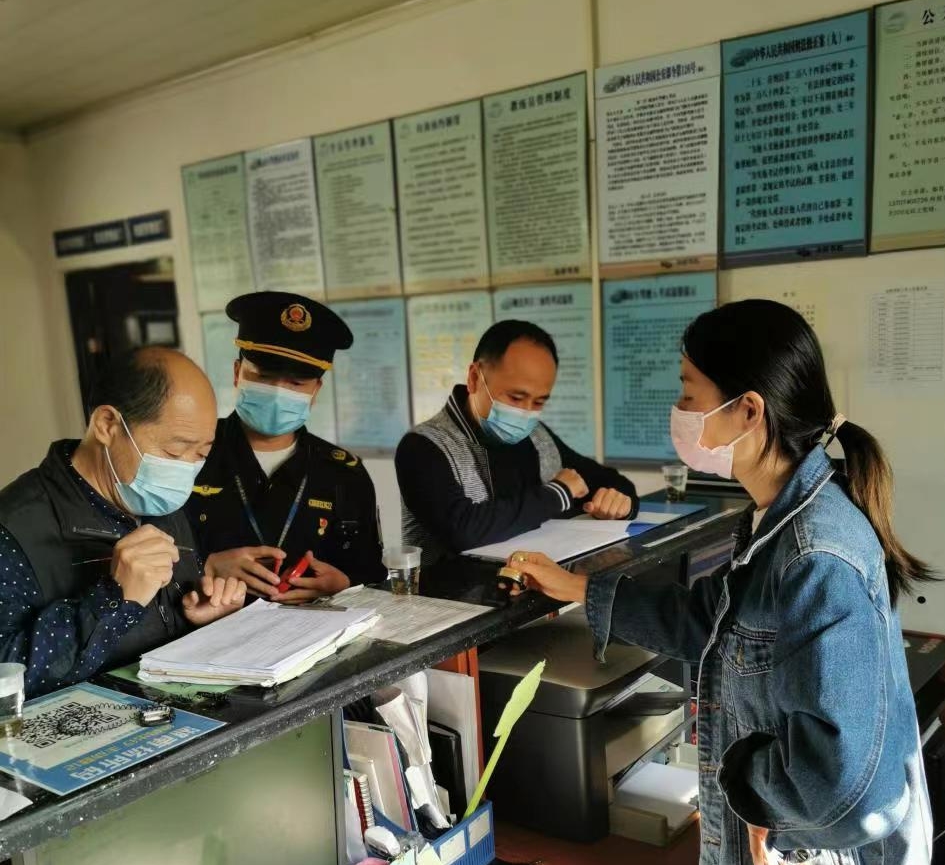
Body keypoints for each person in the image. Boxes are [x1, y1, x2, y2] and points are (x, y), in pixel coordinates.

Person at [505, 300, 945, 865]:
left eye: (687, 390)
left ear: (748, 410)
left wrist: (763, 802)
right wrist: (582, 591)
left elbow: (847, 776)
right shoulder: (782, 515)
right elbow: (712, 622)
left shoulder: (815, 549)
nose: (678, 410)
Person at [0, 348, 246, 697]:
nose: (186, 470)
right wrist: (115, 599)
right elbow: (6, 676)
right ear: (107, 425)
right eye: (175, 452)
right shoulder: (14, 530)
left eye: (201, 453)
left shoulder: (160, 502)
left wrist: (205, 622)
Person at [187, 292, 385, 602]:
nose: (278, 393)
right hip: (209, 623)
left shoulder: (343, 473)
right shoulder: (188, 453)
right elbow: (148, 554)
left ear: (315, 390)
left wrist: (344, 583)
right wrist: (206, 565)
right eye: (264, 376)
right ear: (237, 373)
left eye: (296, 384)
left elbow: (372, 571)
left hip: (315, 628)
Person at [395, 320, 638, 562]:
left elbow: (607, 480)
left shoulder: (536, 435)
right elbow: (462, 530)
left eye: (539, 402)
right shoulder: (423, 446)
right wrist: (557, 493)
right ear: (474, 378)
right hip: (450, 586)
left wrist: (619, 503)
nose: (526, 412)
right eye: (515, 397)